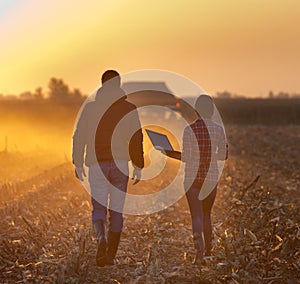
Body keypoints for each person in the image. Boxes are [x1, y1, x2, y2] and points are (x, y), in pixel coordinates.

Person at [72, 70, 144, 266]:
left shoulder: (90, 108)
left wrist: (77, 161)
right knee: (117, 211)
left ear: (102, 84)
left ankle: (101, 240)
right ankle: (111, 254)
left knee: (99, 208)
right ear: (119, 84)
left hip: (97, 164)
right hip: (121, 164)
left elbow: (79, 135)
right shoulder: (129, 108)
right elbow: (136, 137)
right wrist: (138, 165)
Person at [161, 95, 228, 264]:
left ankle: (199, 255)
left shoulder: (189, 130)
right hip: (211, 178)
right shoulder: (219, 130)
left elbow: (187, 157)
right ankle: (209, 252)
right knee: (207, 216)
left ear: (196, 110)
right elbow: (223, 155)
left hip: (192, 179)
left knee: (196, 217)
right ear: (212, 110)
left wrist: (169, 153)